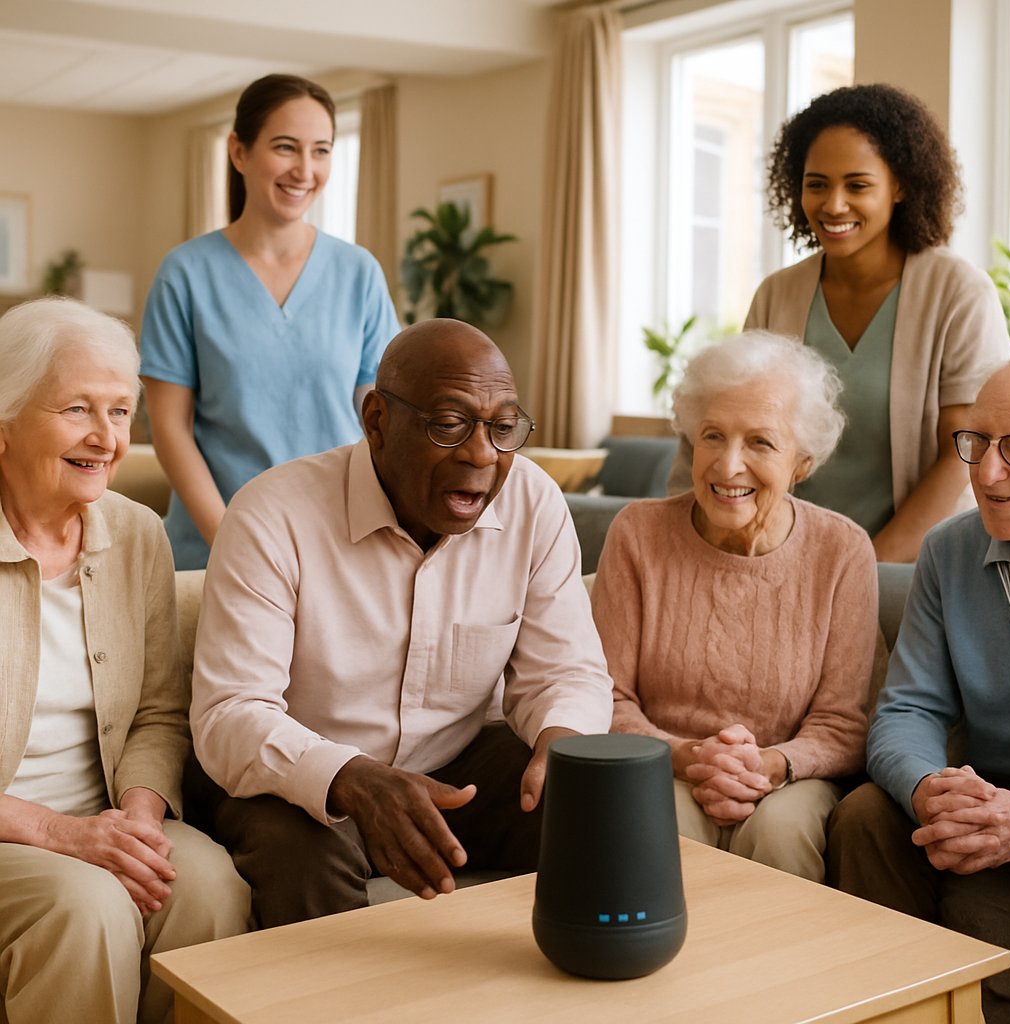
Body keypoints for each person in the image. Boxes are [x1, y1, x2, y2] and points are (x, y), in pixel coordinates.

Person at [189, 317, 613, 927]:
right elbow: (231, 711)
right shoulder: (272, 513)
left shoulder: (532, 502)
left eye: (502, 428)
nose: (481, 454)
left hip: (454, 768)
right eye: (448, 424)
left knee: (583, 798)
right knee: (301, 852)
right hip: (303, 778)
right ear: (377, 420)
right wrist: (352, 779)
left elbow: (565, 671)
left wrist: (562, 742)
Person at [0, 298, 250, 1024]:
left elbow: (159, 711)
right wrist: (63, 836)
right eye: (78, 409)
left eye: (119, 412)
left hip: (105, 809)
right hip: (17, 831)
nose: (107, 438)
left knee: (208, 885)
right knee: (88, 907)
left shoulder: (137, 534)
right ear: (6, 421)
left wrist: (138, 819)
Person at [667, 83, 1010, 562]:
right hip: (781, 558)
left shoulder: (957, 292)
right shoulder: (777, 294)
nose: (833, 204)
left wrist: (872, 565)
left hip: (910, 566)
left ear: (901, 186)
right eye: (816, 184)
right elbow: (735, 430)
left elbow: (962, 453)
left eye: (857, 185)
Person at [592, 331, 877, 882]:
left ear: (802, 463)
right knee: (653, 825)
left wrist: (768, 765)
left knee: (781, 832)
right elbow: (606, 698)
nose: (727, 466)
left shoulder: (842, 551)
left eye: (761, 443)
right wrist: (689, 756)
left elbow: (842, 725)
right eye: (713, 436)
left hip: (789, 777)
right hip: (662, 767)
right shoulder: (638, 534)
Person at [827, 358, 1010, 1024]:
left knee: (984, 917)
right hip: (980, 808)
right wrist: (926, 789)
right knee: (863, 816)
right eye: (976, 442)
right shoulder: (948, 552)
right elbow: (909, 707)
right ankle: (886, 1007)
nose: (986, 474)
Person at [141, 73, 400, 570]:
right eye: (286, 147)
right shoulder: (186, 273)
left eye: (321, 150)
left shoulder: (358, 272)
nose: (305, 170)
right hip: (214, 543)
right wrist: (231, 540)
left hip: (335, 542)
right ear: (240, 152)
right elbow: (170, 426)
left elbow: (378, 417)